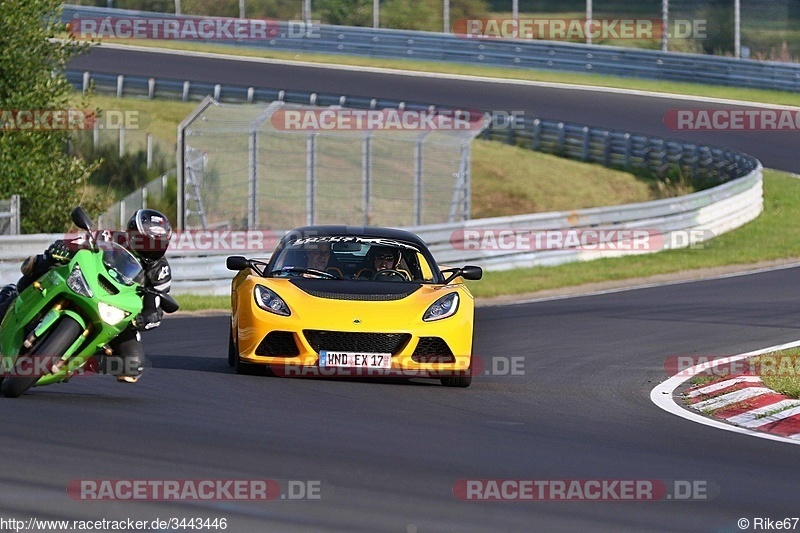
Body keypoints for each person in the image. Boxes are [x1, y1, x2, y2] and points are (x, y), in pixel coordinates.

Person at [0, 209, 173, 383]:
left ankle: (77, 364)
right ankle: (15, 296)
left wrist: (143, 319)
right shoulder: (109, 237)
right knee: (42, 262)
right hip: (88, 284)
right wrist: (62, 248)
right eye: (146, 242)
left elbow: (155, 308)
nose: (151, 249)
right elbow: (77, 242)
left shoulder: (161, 271)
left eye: (158, 244)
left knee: (132, 365)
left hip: (117, 310)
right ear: (132, 235)